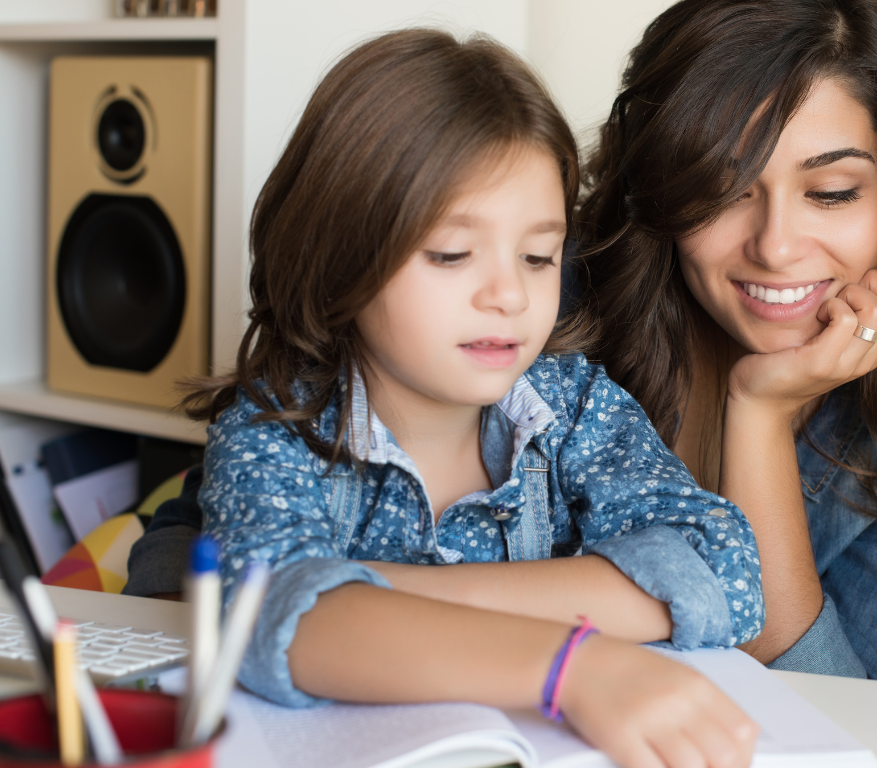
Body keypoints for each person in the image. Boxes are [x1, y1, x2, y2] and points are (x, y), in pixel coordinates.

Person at [183, 29, 763, 768]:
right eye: (451, 254)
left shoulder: (575, 402)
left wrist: (384, 596)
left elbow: (722, 570)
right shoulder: (274, 426)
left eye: (538, 256)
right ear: (339, 252)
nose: (509, 295)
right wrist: (571, 663)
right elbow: (270, 615)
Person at [575, 0, 877, 682]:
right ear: (662, 185)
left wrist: (760, 412)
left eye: (831, 192)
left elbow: (838, 717)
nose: (775, 248)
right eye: (723, 189)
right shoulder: (540, 325)